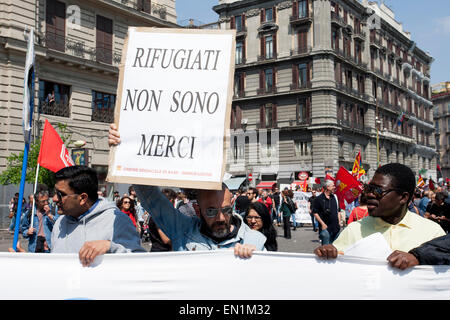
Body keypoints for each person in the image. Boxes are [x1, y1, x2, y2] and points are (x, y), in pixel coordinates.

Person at [108, 124, 266, 258]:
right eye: (211, 211)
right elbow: (149, 195)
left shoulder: (253, 240)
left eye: (226, 210)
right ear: (198, 210)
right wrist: (126, 148)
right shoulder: (181, 229)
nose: (221, 218)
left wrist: (255, 261)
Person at [314, 163, 446, 260]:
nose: (370, 195)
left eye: (378, 191)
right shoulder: (354, 230)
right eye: (368, 189)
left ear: (403, 197)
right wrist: (327, 253)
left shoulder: (432, 232)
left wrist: (417, 259)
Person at [47, 165, 145, 266]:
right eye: (55, 192)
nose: (54, 199)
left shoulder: (117, 221)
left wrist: (110, 247)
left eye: (60, 194)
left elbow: (140, 263)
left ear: (82, 198)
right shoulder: (60, 222)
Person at [312, 180, 340, 245]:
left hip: (336, 228)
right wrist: (322, 224)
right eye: (333, 186)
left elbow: (338, 211)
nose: (334, 187)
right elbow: (315, 213)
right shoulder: (319, 199)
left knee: (335, 250)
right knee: (326, 250)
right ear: (327, 187)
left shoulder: (335, 197)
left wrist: (338, 222)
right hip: (326, 229)